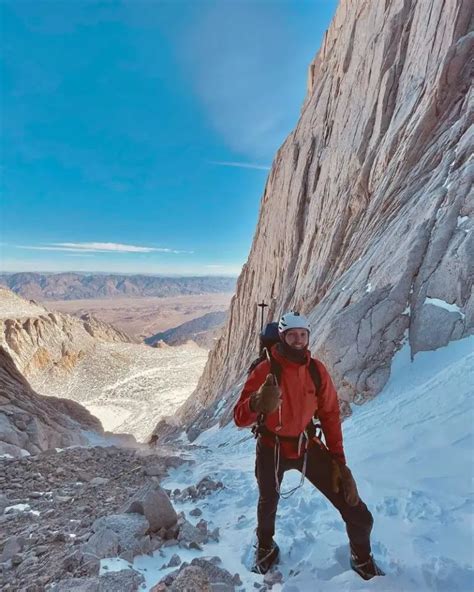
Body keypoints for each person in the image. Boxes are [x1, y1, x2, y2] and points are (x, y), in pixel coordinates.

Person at [233, 311, 384, 579]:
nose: (299, 341)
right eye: (293, 335)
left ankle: (362, 559)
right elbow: (239, 417)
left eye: (303, 335)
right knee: (267, 502)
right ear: (282, 337)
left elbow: (330, 415)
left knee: (356, 510)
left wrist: (339, 462)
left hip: (306, 446)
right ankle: (265, 547)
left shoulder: (317, 371)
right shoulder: (265, 370)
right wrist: (256, 403)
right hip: (271, 447)